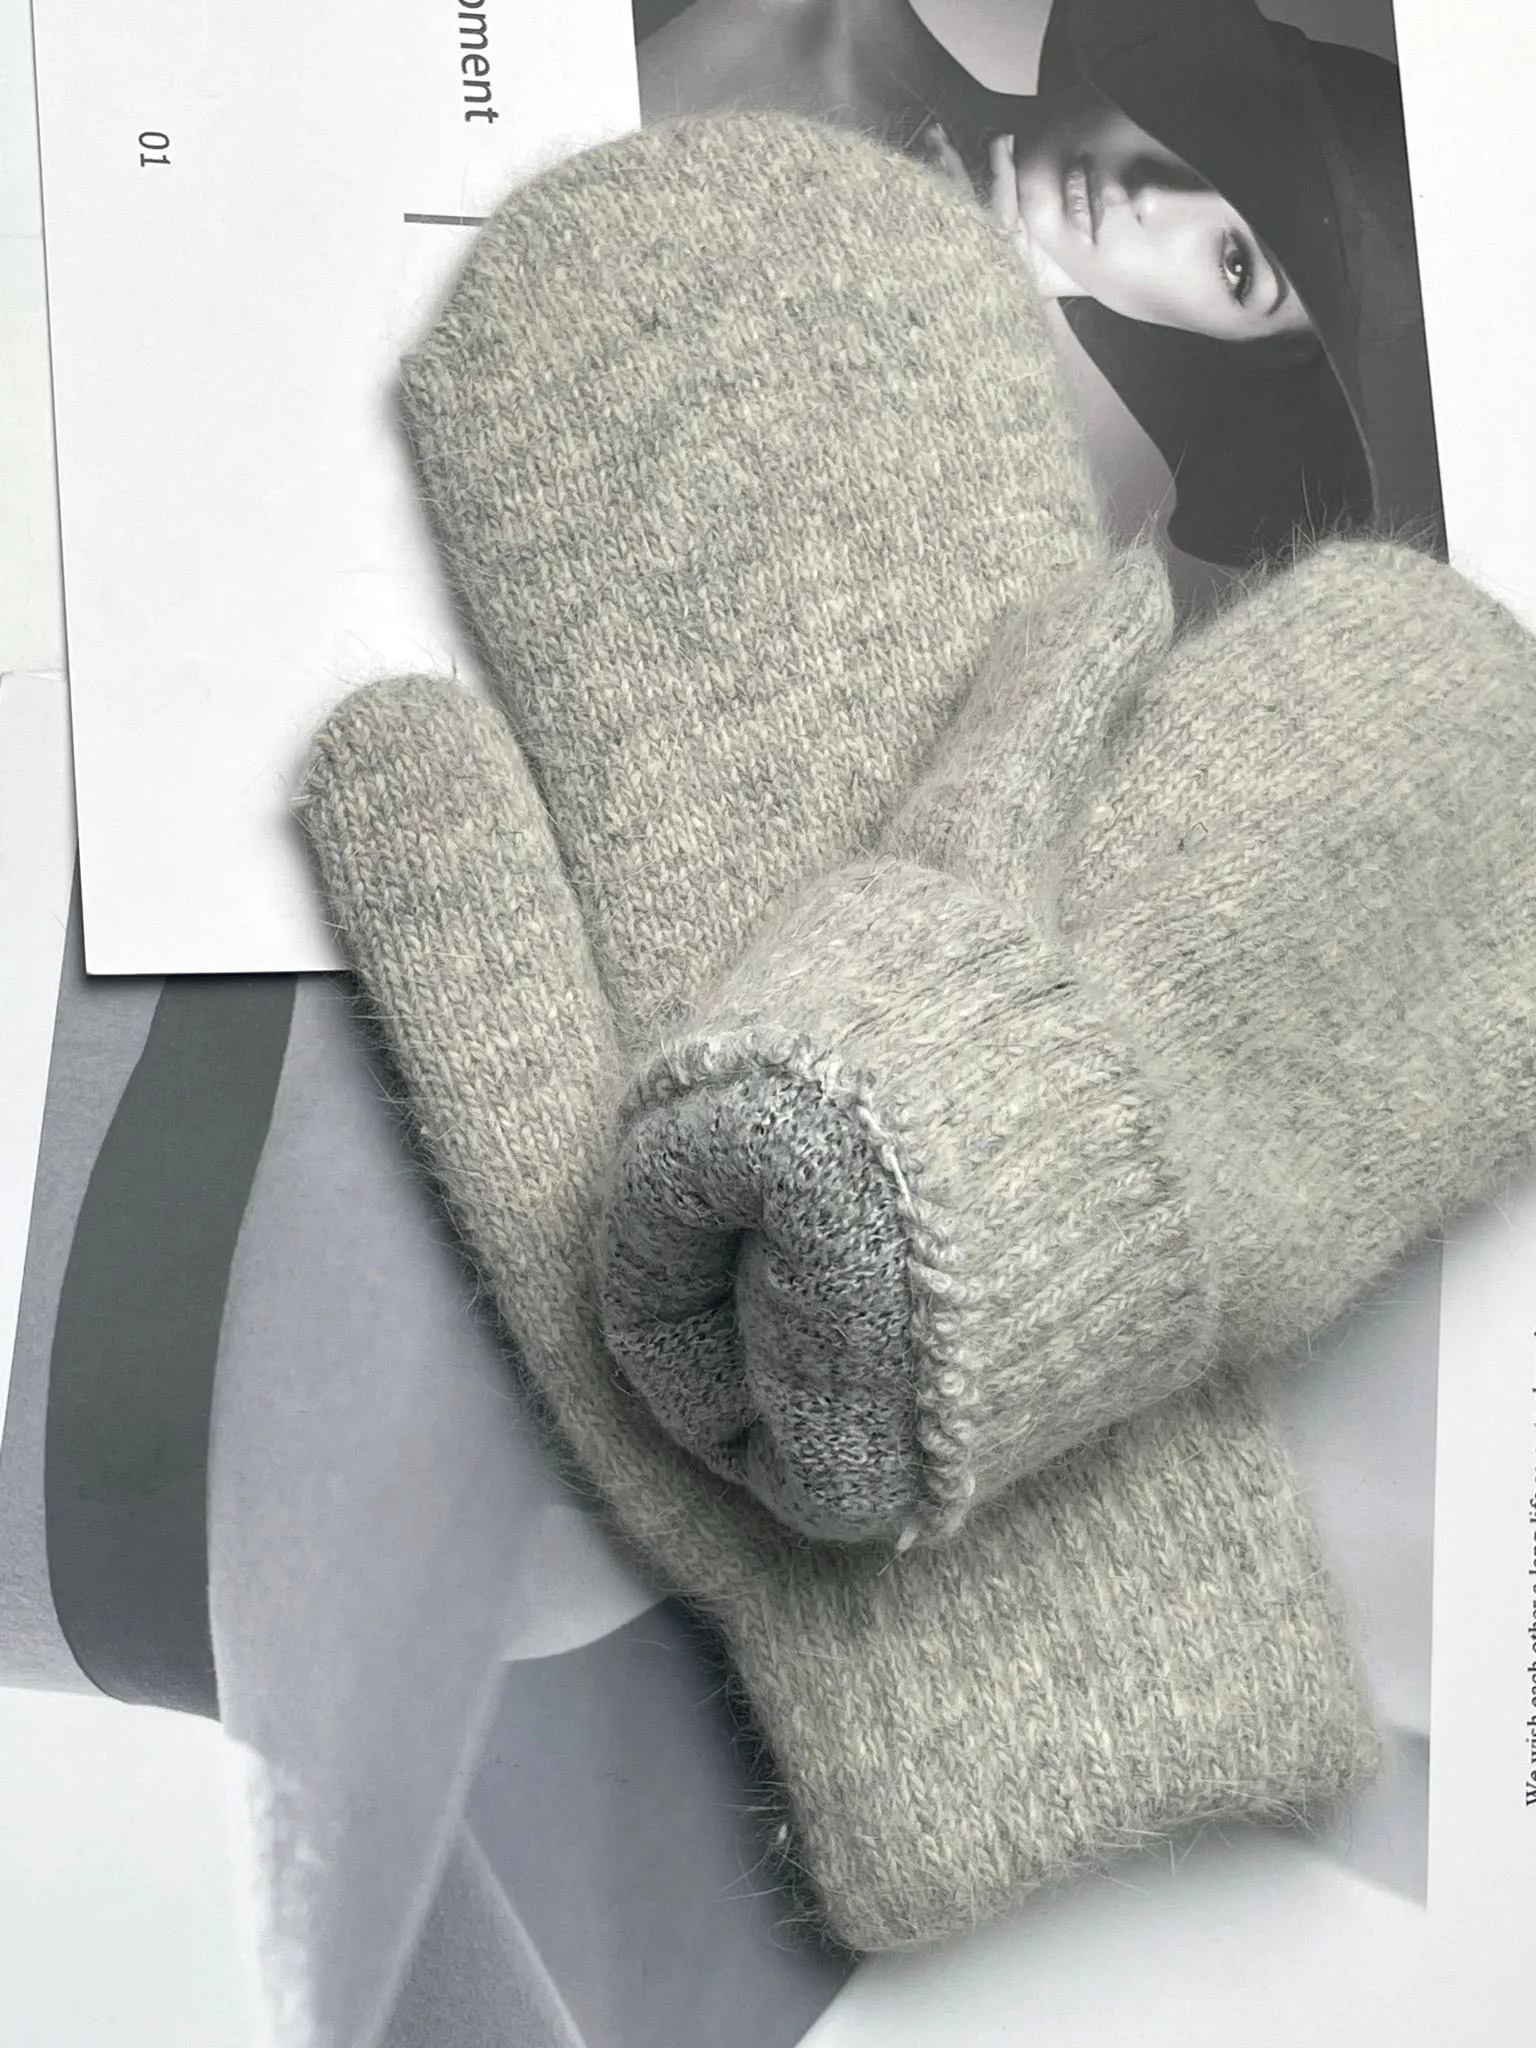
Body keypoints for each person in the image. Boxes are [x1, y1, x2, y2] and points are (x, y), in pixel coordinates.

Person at [635, 0, 1443, 568]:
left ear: (1239, 349)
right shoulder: (786, 21)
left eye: (1236, 266)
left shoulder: (981, 491)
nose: (1153, 196)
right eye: (1217, 133)